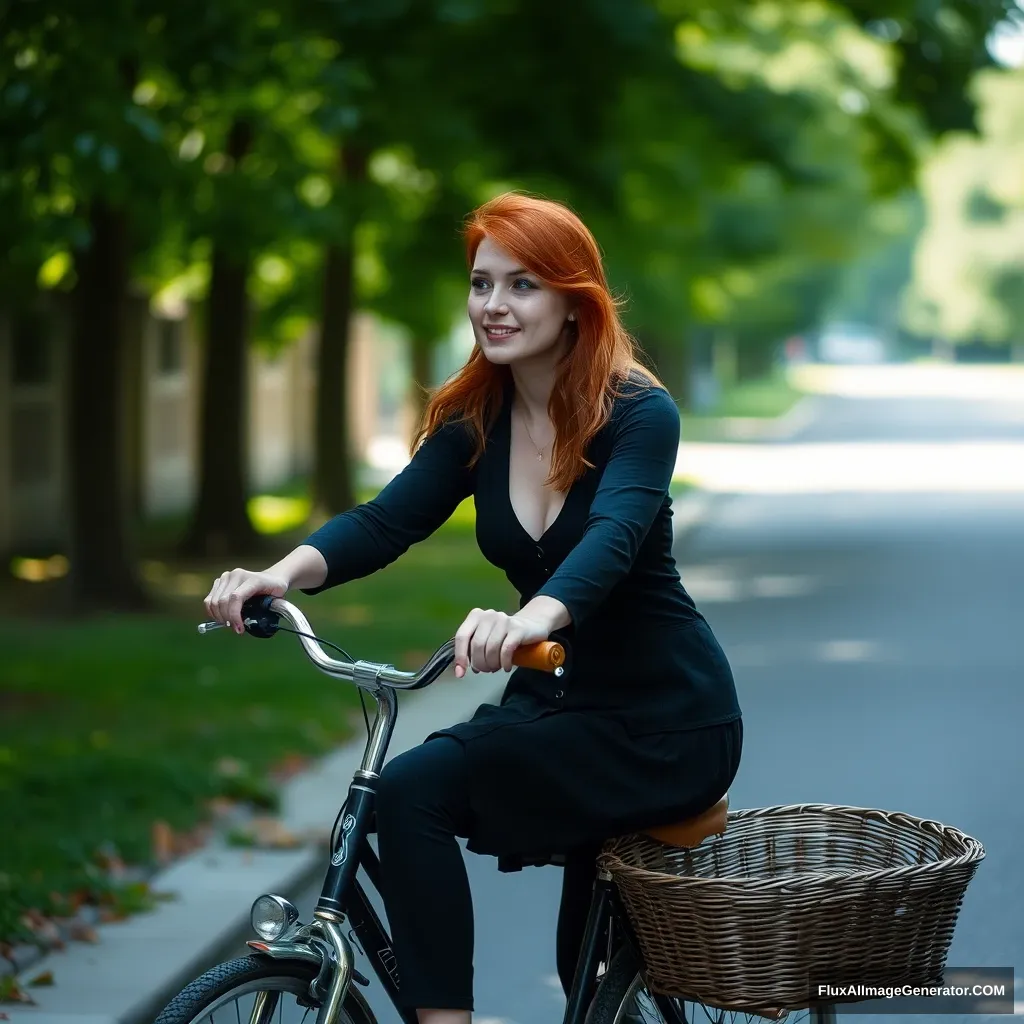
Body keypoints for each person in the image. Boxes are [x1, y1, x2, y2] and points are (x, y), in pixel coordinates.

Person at [204, 193, 742, 1024]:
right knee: (408, 792)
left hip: (661, 717)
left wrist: (531, 618)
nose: (494, 305)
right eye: (482, 283)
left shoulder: (639, 413)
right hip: (556, 704)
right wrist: (278, 573)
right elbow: (385, 521)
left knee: (580, 968)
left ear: (574, 301)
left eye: (522, 285)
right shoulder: (476, 419)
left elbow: (613, 537)